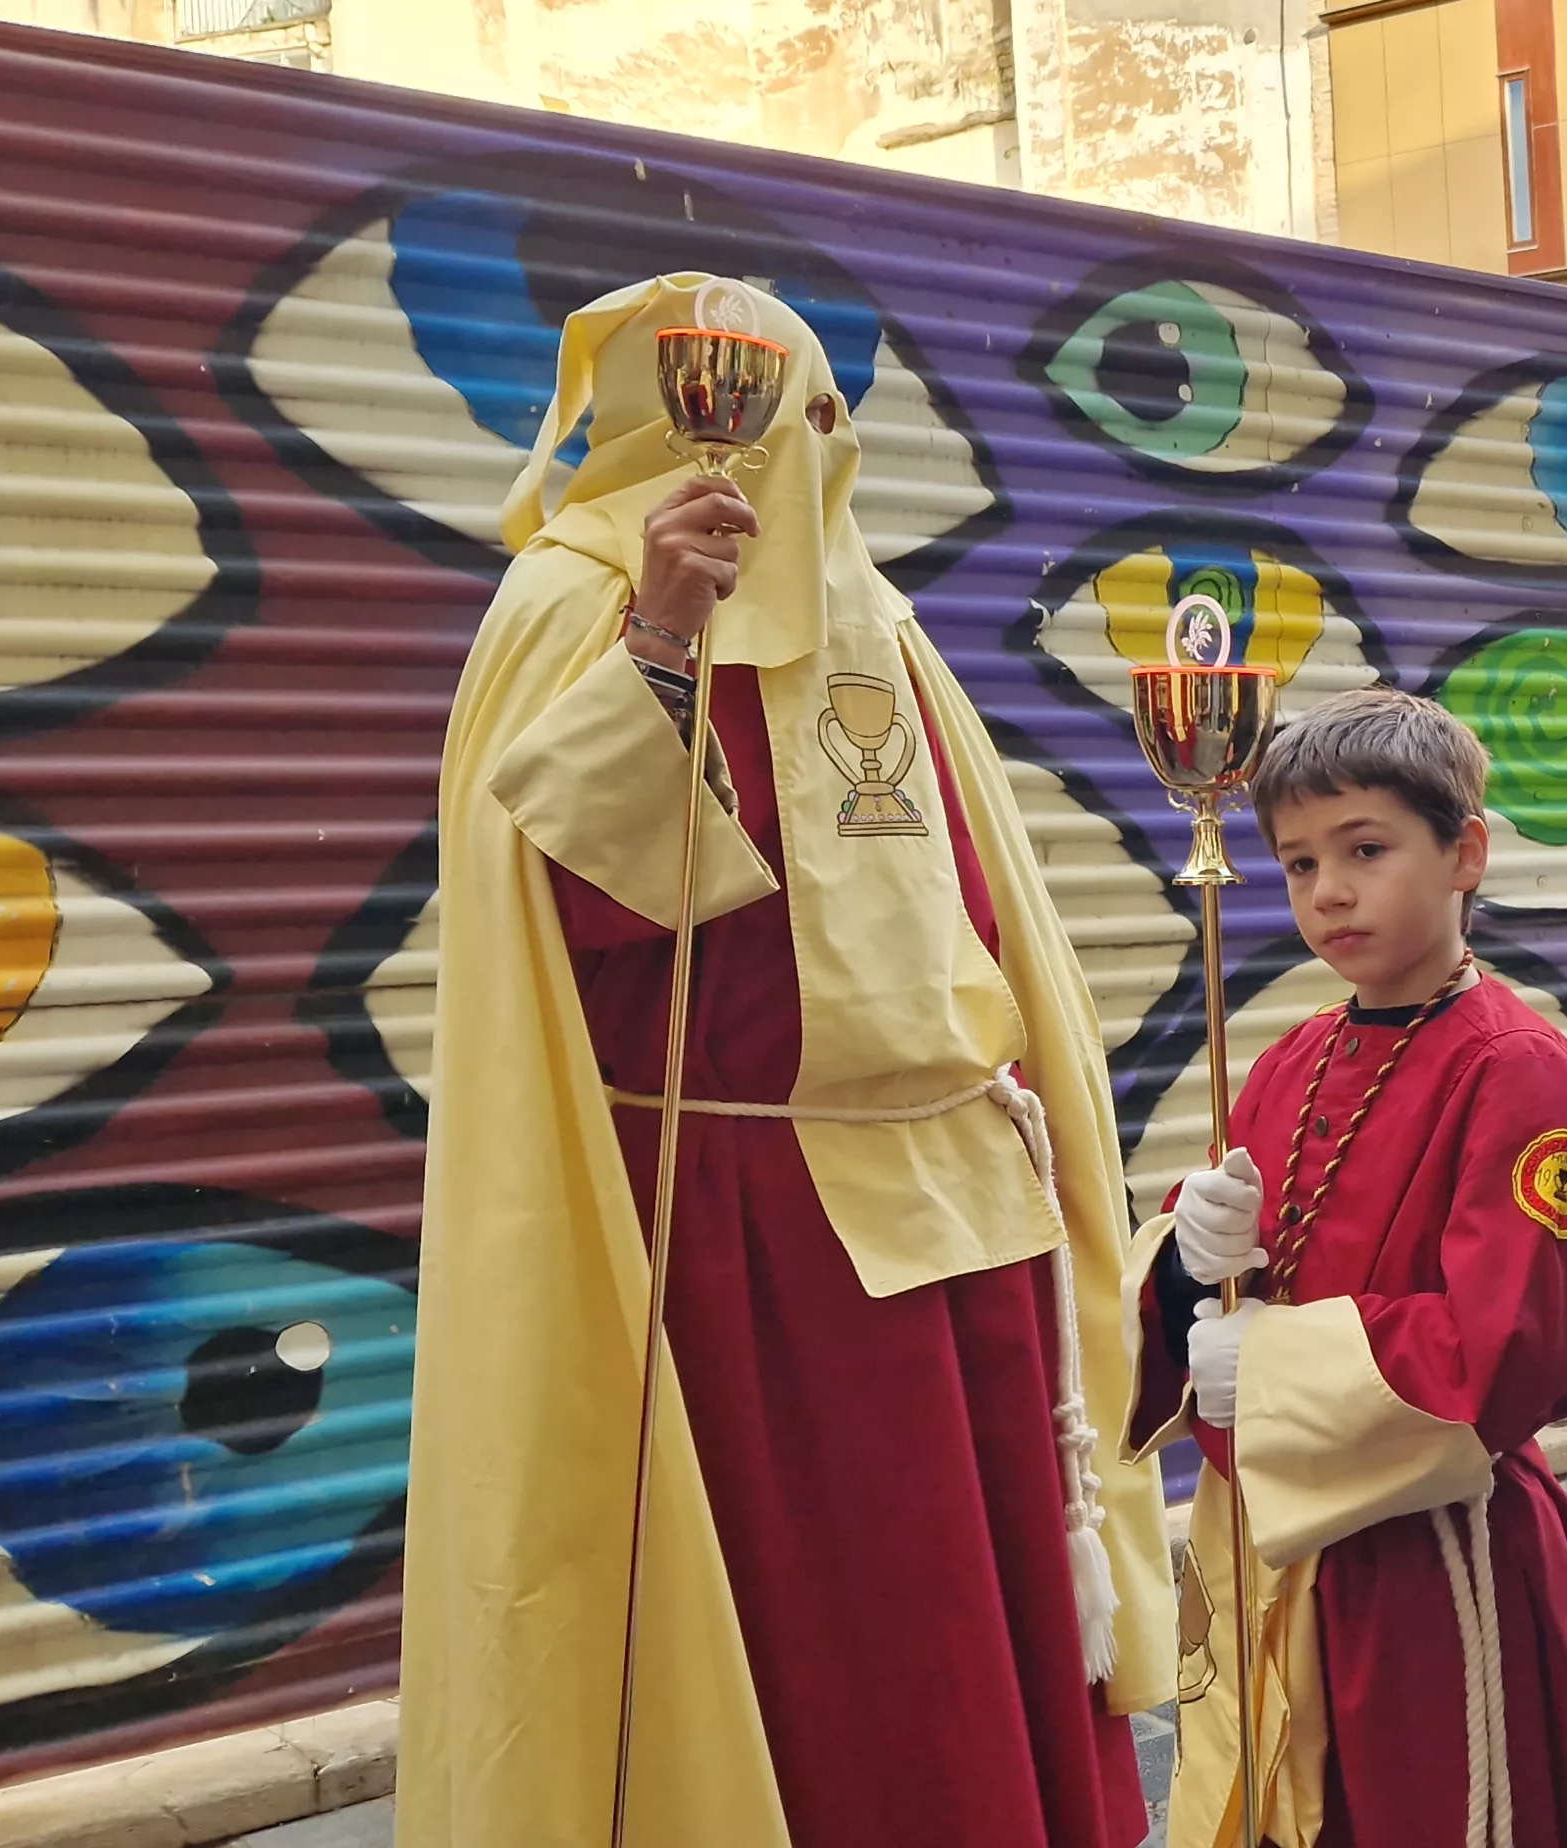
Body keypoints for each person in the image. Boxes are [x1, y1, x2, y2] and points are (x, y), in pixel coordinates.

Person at [403, 273, 1167, 1848]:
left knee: (990, 1629)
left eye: (809, 408)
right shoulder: (569, 600)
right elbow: (578, 916)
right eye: (740, 402)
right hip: (741, 1224)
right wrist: (664, 652)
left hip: (965, 1206)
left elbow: (979, 906)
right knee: (845, 1655)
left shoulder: (877, 612)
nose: (789, 446)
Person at [1137, 689, 1567, 1848]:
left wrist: (1261, 1366)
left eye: (1366, 849)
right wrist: (1186, 1262)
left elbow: (1513, 1349)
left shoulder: (1518, 1073)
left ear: (1465, 851)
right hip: (1278, 1555)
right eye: (1299, 862)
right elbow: (1224, 1283)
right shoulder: (1294, 1055)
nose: (1330, 892)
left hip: (1434, 1562)